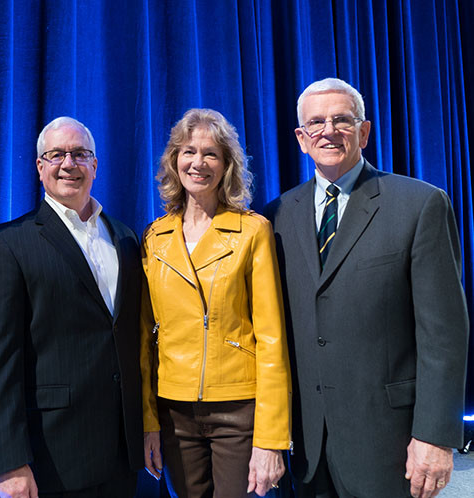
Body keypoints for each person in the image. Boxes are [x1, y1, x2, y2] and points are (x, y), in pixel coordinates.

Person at [264, 77, 469, 498]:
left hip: (390, 443)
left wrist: (434, 436)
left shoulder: (419, 204)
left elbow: (444, 334)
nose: (329, 131)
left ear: (364, 130)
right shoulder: (276, 216)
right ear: (301, 139)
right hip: (307, 447)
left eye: (342, 120)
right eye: (316, 123)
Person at [0, 116, 143, 497]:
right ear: (39, 167)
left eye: (80, 154)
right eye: (56, 154)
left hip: (122, 456)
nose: (69, 163)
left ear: (95, 165)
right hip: (51, 459)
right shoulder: (8, 244)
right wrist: (8, 463)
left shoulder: (127, 238)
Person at [140, 108, 292, 497]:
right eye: (188, 151)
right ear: (174, 160)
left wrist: (271, 438)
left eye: (211, 154)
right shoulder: (155, 238)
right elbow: (144, 343)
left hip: (238, 411)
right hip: (173, 412)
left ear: (226, 165)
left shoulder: (252, 231)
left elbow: (272, 340)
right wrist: (149, 422)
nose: (198, 163)